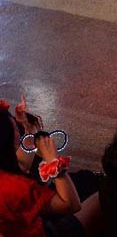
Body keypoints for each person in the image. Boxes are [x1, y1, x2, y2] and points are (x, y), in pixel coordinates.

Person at [0, 98, 81, 237]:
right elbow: (71, 205)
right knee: (91, 184)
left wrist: (29, 130)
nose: (18, 130)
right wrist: (53, 162)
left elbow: (21, 166)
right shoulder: (16, 188)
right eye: (15, 128)